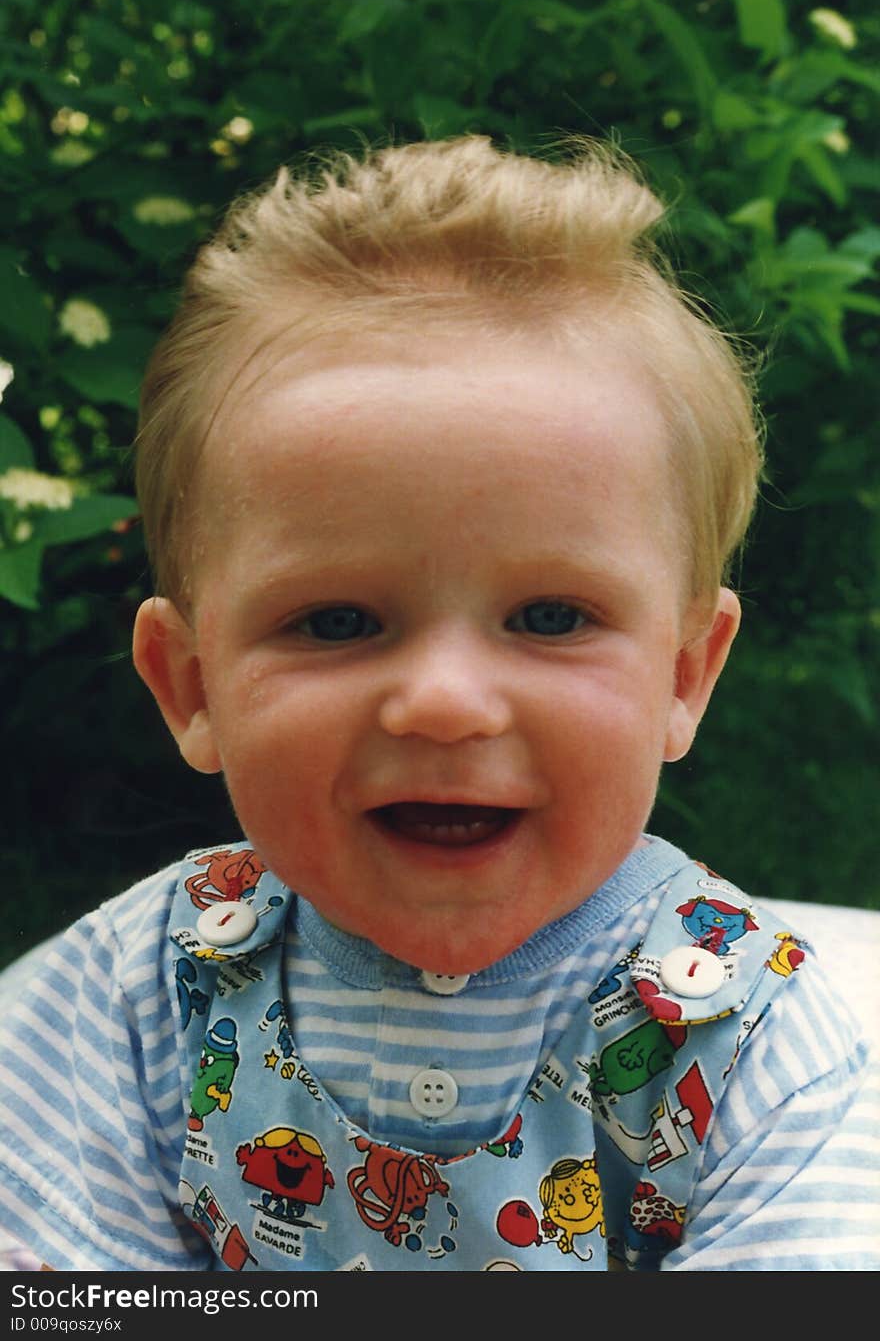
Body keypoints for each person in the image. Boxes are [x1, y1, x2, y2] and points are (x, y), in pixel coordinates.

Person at [1, 136, 876, 1273]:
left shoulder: (752, 1040)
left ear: (680, 675)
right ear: (193, 684)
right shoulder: (129, 1006)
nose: (446, 704)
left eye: (550, 617)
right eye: (335, 622)